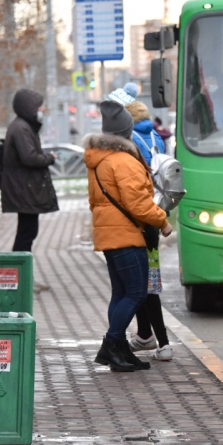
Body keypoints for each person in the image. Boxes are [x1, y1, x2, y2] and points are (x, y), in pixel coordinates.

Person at [85, 99, 173, 372]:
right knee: (136, 292)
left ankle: (121, 350)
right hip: (127, 234)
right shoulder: (124, 161)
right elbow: (138, 203)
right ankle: (111, 344)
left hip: (110, 234)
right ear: (127, 131)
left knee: (121, 292)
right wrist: (162, 221)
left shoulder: (100, 159)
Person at [125, 99, 173, 361]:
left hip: (141, 220)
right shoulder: (155, 135)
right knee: (145, 280)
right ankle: (145, 335)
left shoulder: (130, 140)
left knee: (144, 285)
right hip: (156, 215)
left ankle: (163, 343)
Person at [1, 89, 59, 252]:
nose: (42, 110)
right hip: (25, 190)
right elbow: (30, 158)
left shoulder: (23, 127)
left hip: (25, 189)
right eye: (39, 106)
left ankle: (21, 271)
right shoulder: (21, 129)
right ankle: (19, 272)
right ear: (29, 108)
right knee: (27, 233)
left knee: (27, 232)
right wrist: (50, 158)